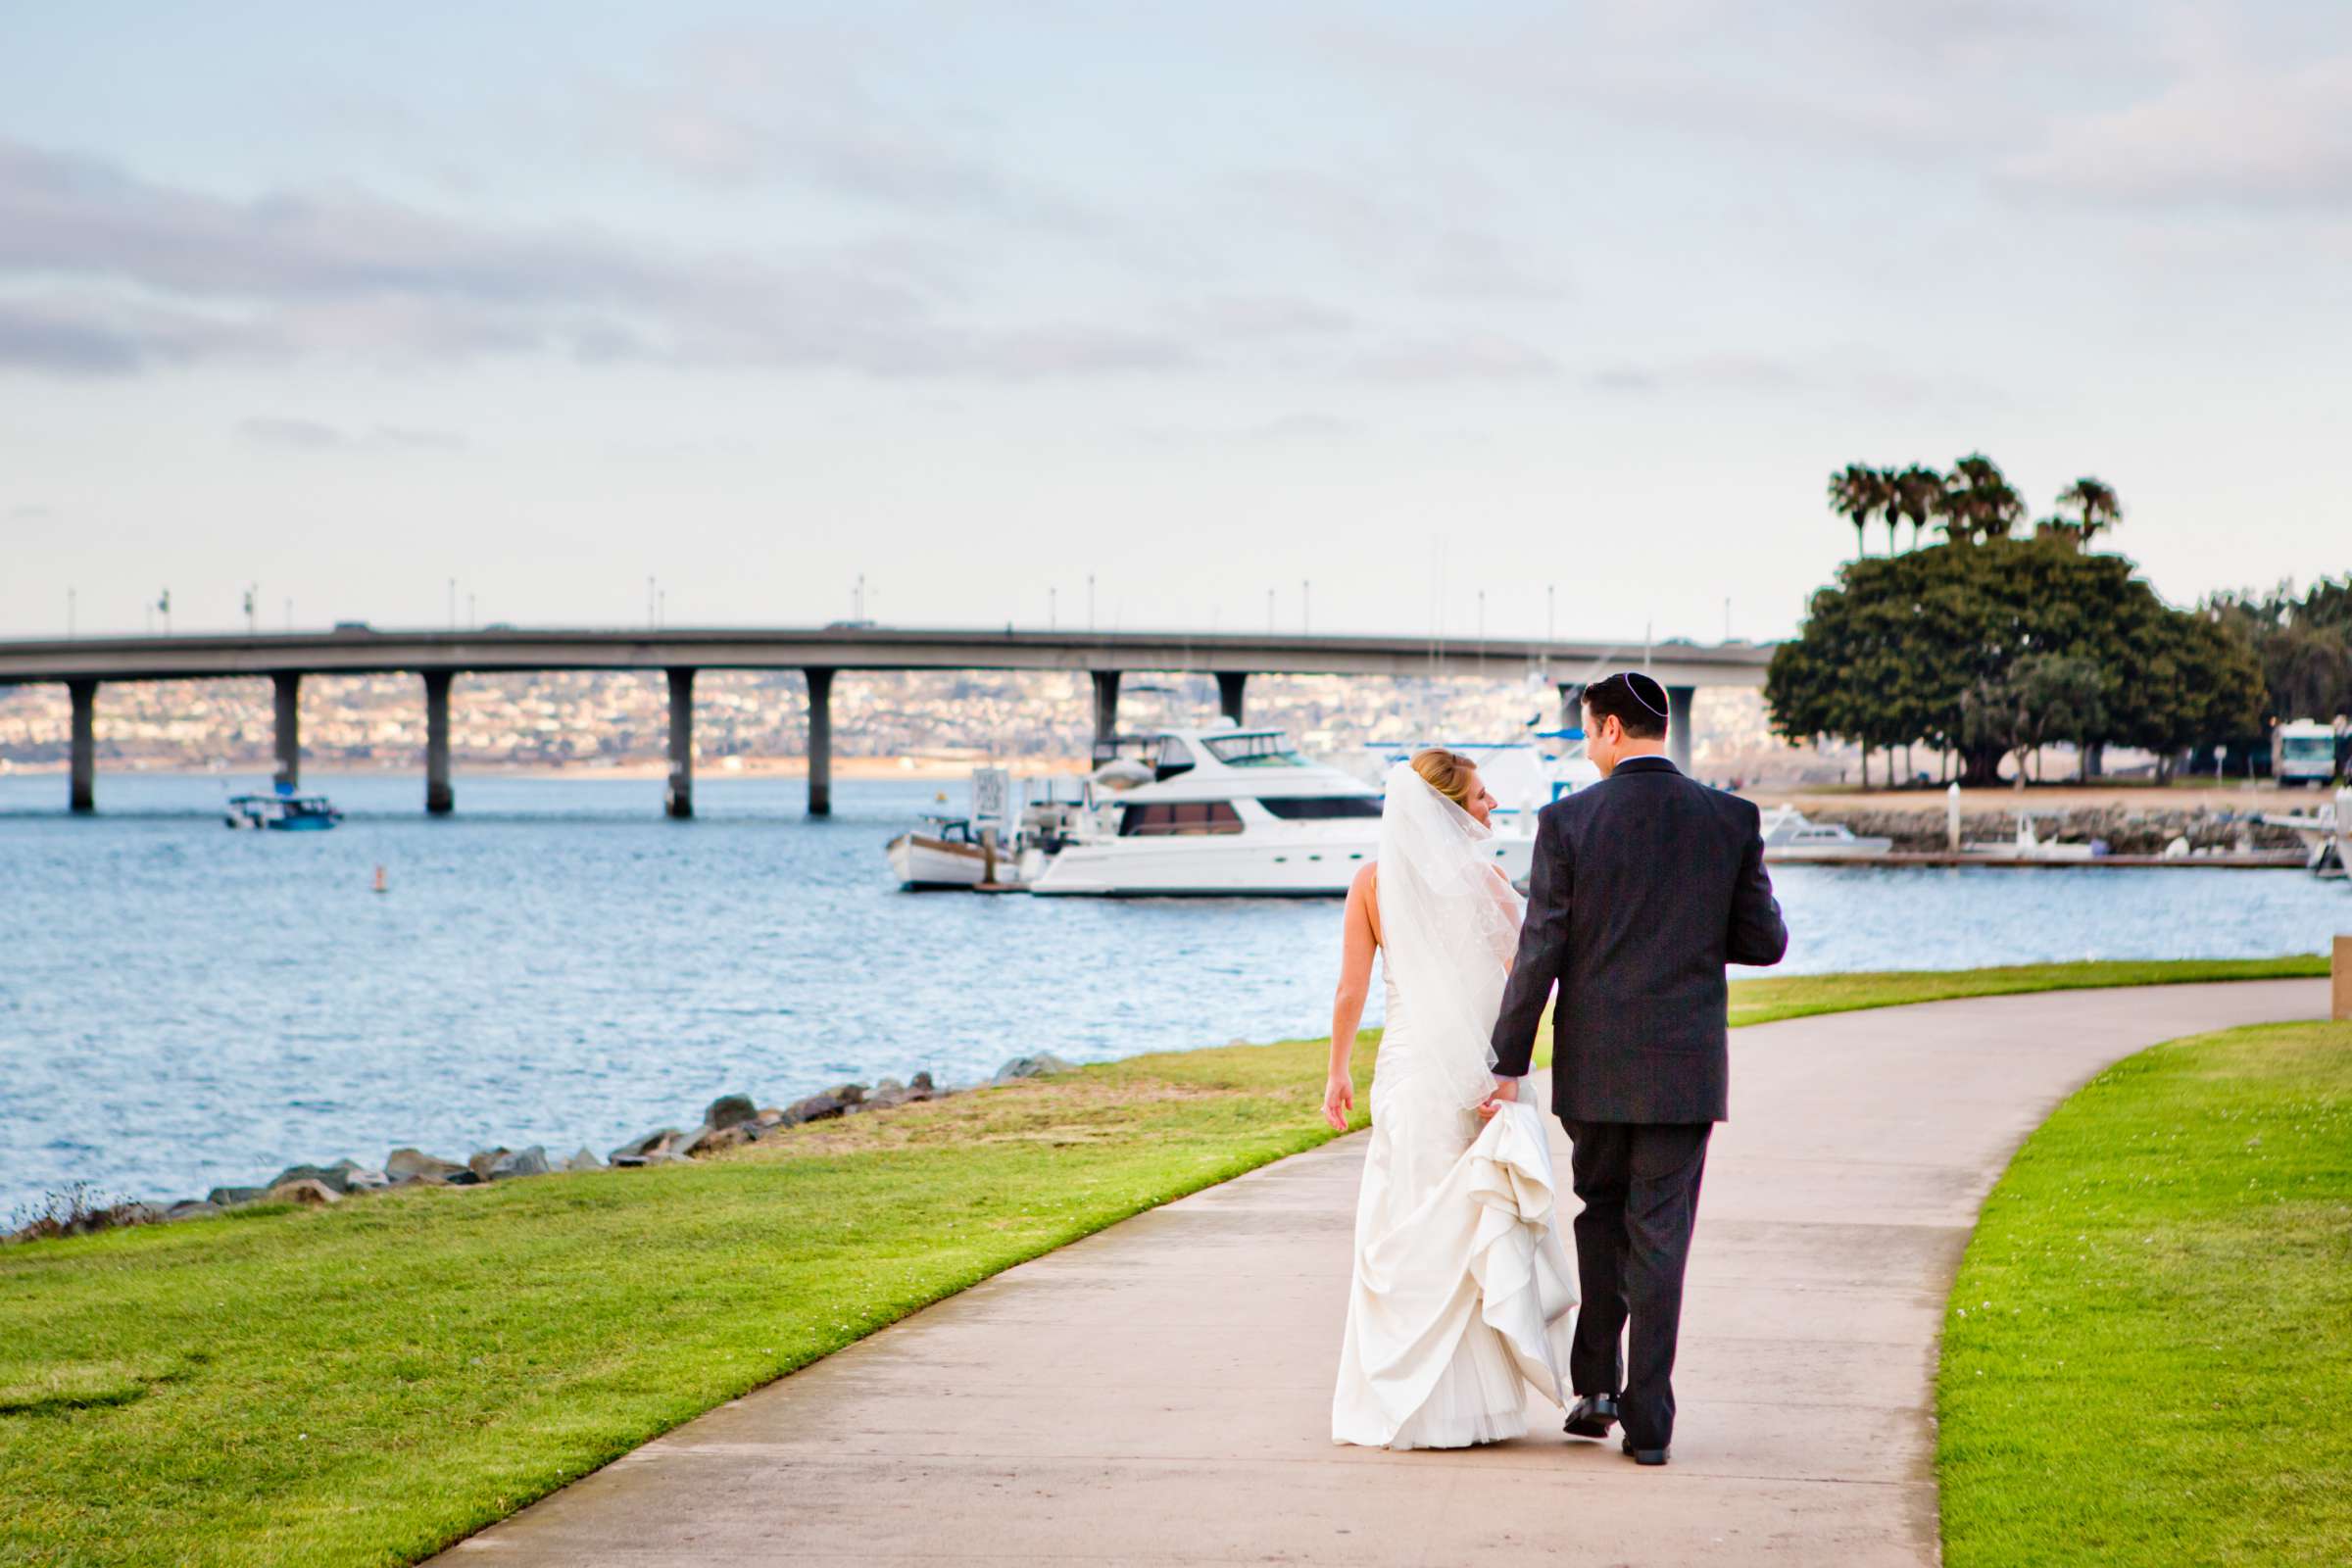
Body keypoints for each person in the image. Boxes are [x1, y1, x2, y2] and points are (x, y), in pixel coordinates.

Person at [1489, 671, 1788, 1466]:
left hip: (1595, 1065)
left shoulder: (1567, 822)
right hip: (1684, 1068)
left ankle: (1595, 1388)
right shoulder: (1731, 819)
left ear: (1614, 729)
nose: (1587, 747)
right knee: (1662, 1236)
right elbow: (1764, 942)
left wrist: (1507, 1058)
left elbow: (1541, 949)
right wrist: (1689, 925)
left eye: (1588, 732)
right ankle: (1648, 1421)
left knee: (1601, 1217)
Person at [1327, 749, 1579, 1449]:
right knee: (1464, 1224)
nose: (1491, 808)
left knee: (1408, 1218)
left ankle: (1410, 1405)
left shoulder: (1372, 884)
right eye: (1479, 799)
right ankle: (1476, 1411)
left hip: (1412, 1073)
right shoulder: (1488, 882)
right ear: (1444, 809)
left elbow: (1352, 991)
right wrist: (1505, 1064)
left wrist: (1337, 1071)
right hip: (1470, 1072)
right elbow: (1525, 977)